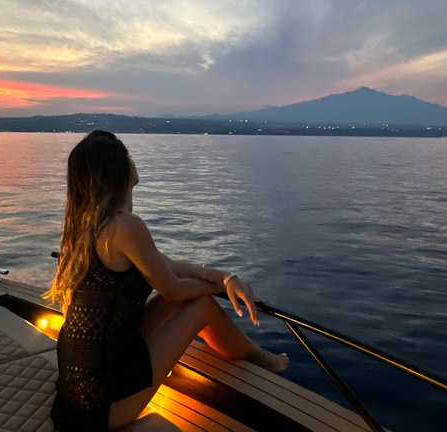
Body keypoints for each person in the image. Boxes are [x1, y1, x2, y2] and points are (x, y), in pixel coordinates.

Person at [45, 130, 289, 432]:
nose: (133, 160)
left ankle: (255, 354)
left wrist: (227, 277)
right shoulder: (124, 226)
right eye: (127, 156)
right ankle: (259, 357)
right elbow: (173, 289)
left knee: (191, 298)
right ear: (119, 171)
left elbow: (170, 267)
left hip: (82, 381)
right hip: (100, 404)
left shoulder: (90, 225)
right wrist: (221, 286)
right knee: (200, 306)